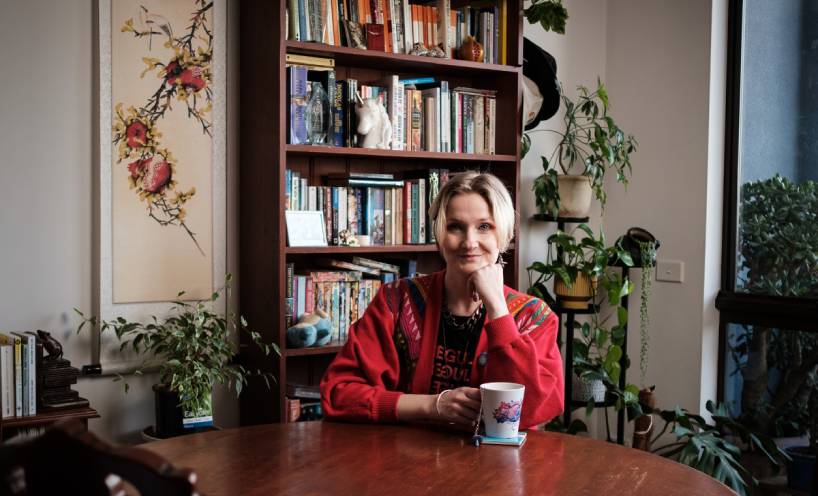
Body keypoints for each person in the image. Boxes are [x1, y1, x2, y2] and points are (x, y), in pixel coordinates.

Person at [320, 171, 564, 430]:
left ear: (503, 235)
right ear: (439, 235)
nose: (469, 242)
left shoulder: (533, 317)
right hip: (404, 461)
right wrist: (434, 405)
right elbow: (338, 394)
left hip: (496, 465)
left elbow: (530, 412)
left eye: (484, 226)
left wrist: (498, 308)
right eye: (455, 227)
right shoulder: (397, 302)